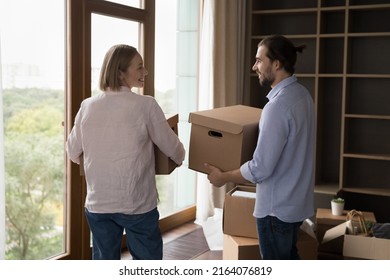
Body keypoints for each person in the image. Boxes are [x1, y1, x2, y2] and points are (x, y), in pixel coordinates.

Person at [66, 44, 185, 260]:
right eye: (139, 67)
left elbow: (73, 152)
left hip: (98, 203)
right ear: (121, 73)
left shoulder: (88, 106)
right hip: (137, 203)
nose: (145, 72)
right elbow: (172, 147)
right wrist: (180, 156)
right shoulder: (146, 105)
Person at [205, 35, 315, 260]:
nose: (254, 66)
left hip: (276, 210)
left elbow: (260, 168)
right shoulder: (303, 96)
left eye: (258, 60)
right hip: (296, 206)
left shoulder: (277, 107)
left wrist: (224, 176)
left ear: (276, 64)